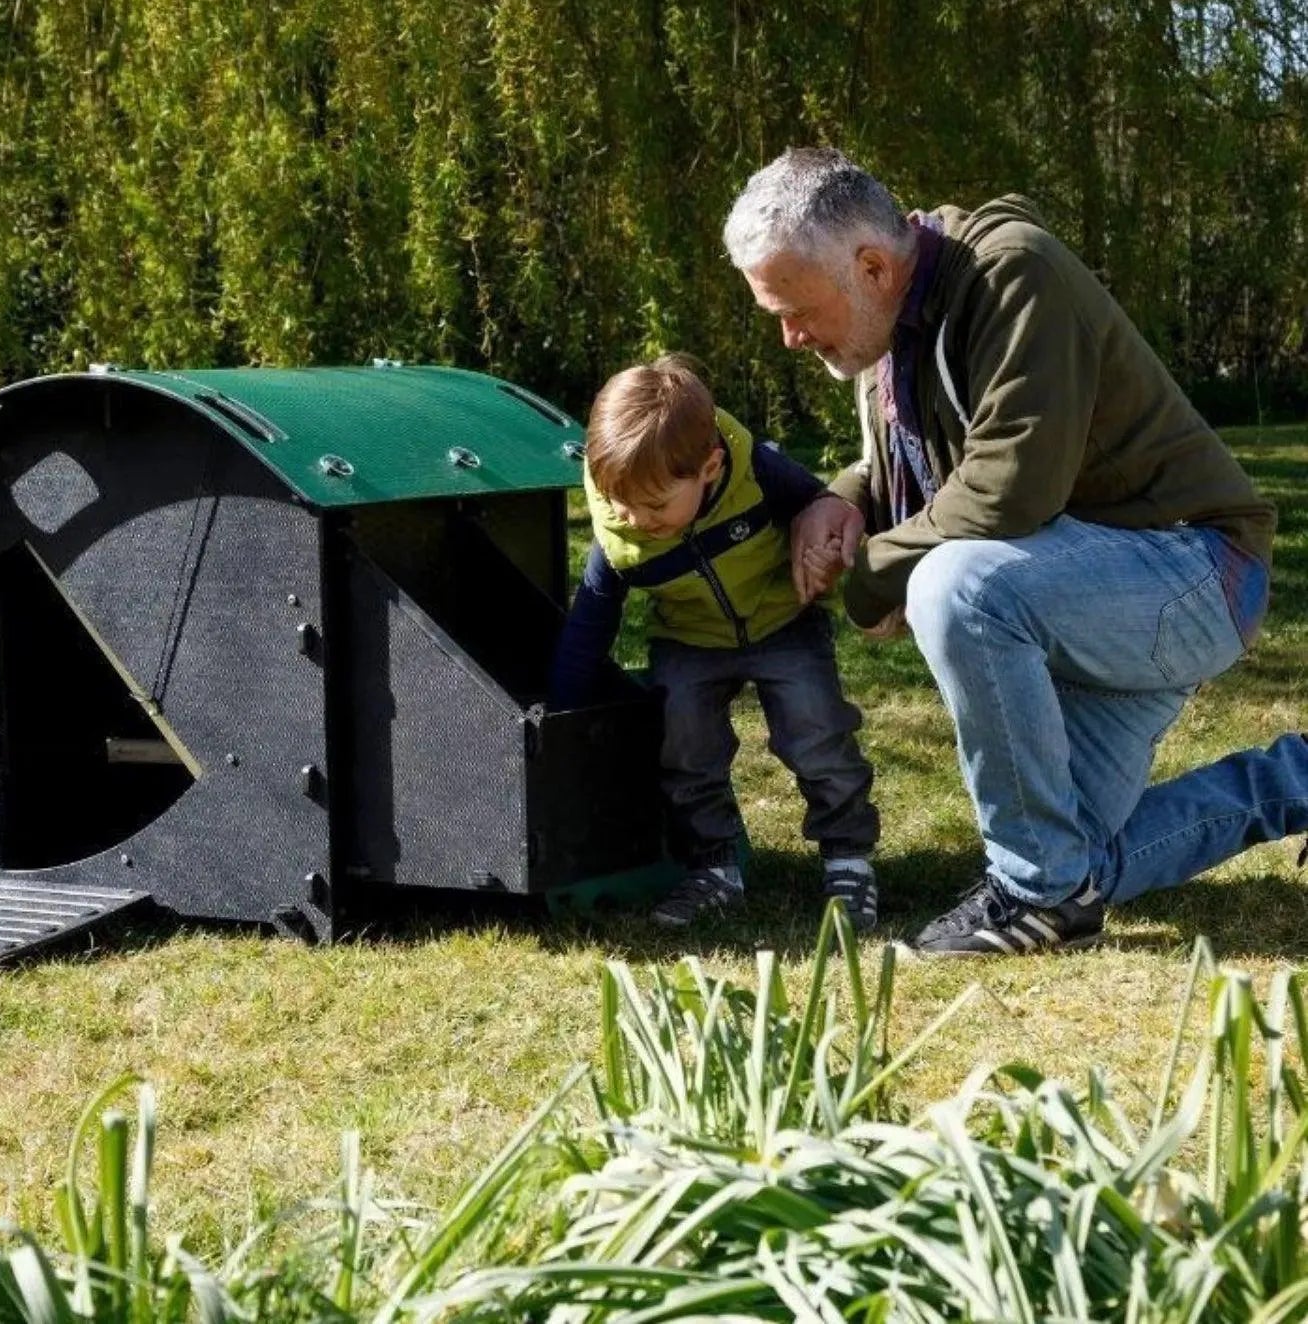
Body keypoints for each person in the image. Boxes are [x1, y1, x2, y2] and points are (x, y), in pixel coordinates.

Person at [722, 145, 1308, 956]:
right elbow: (916, 466)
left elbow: (1009, 486)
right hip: (1090, 596)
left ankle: (1026, 897)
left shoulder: (1012, 274)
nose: (788, 336)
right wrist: (841, 500)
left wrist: (872, 573)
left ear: (871, 267)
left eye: (793, 307)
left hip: (1193, 572)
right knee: (1072, 856)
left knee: (956, 588)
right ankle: (1291, 785)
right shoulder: (892, 332)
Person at [549, 353, 880, 930]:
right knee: (685, 748)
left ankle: (848, 858)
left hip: (782, 622)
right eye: (621, 501)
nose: (635, 518)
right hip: (689, 638)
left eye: (654, 505)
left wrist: (824, 545)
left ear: (709, 467)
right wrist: (562, 707)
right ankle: (713, 867)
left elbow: (820, 503)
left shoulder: (758, 473)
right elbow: (591, 619)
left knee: (818, 733)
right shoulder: (620, 528)